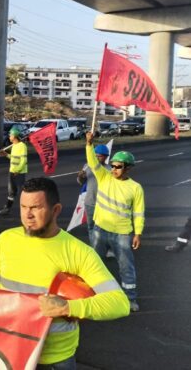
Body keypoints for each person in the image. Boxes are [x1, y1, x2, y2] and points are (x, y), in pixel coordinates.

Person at [0, 177, 130, 369]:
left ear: (56, 210)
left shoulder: (78, 252)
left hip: (54, 359)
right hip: (11, 350)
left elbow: (120, 303)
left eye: (35, 207)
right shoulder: (5, 240)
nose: (28, 215)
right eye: (23, 207)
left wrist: (67, 308)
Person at [85, 131, 144, 312]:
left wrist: (138, 233)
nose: (114, 169)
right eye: (113, 165)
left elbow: (139, 212)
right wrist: (89, 144)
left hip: (122, 234)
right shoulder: (104, 176)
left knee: (126, 266)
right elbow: (93, 162)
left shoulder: (135, 188)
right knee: (94, 264)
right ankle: (92, 293)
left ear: (127, 168)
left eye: (118, 167)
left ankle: (130, 298)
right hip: (100, 229)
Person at [76, 144, 111, 245]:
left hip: (104, 204)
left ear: (105, 157)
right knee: (91, 227)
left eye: (99, 156)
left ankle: (105, 247)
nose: (96, 158)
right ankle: (95, 248)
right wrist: (80, 177)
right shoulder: (87, 166)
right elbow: (80, 182)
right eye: (94, 155)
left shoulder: (109, 170)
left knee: (104, 228)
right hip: (90, 203)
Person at [0, 127, 27, 217]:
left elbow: (23, 160)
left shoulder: (22, 146)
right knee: (11, 192)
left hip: (19, 173)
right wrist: (6, 154)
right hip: (12, 171)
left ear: (14, 136)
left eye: (10, 135)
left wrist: (18, 171)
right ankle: (7, 208)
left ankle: (29, 208)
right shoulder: (14, 146)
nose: (9, 136)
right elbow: (13, 158)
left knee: (24, 192)